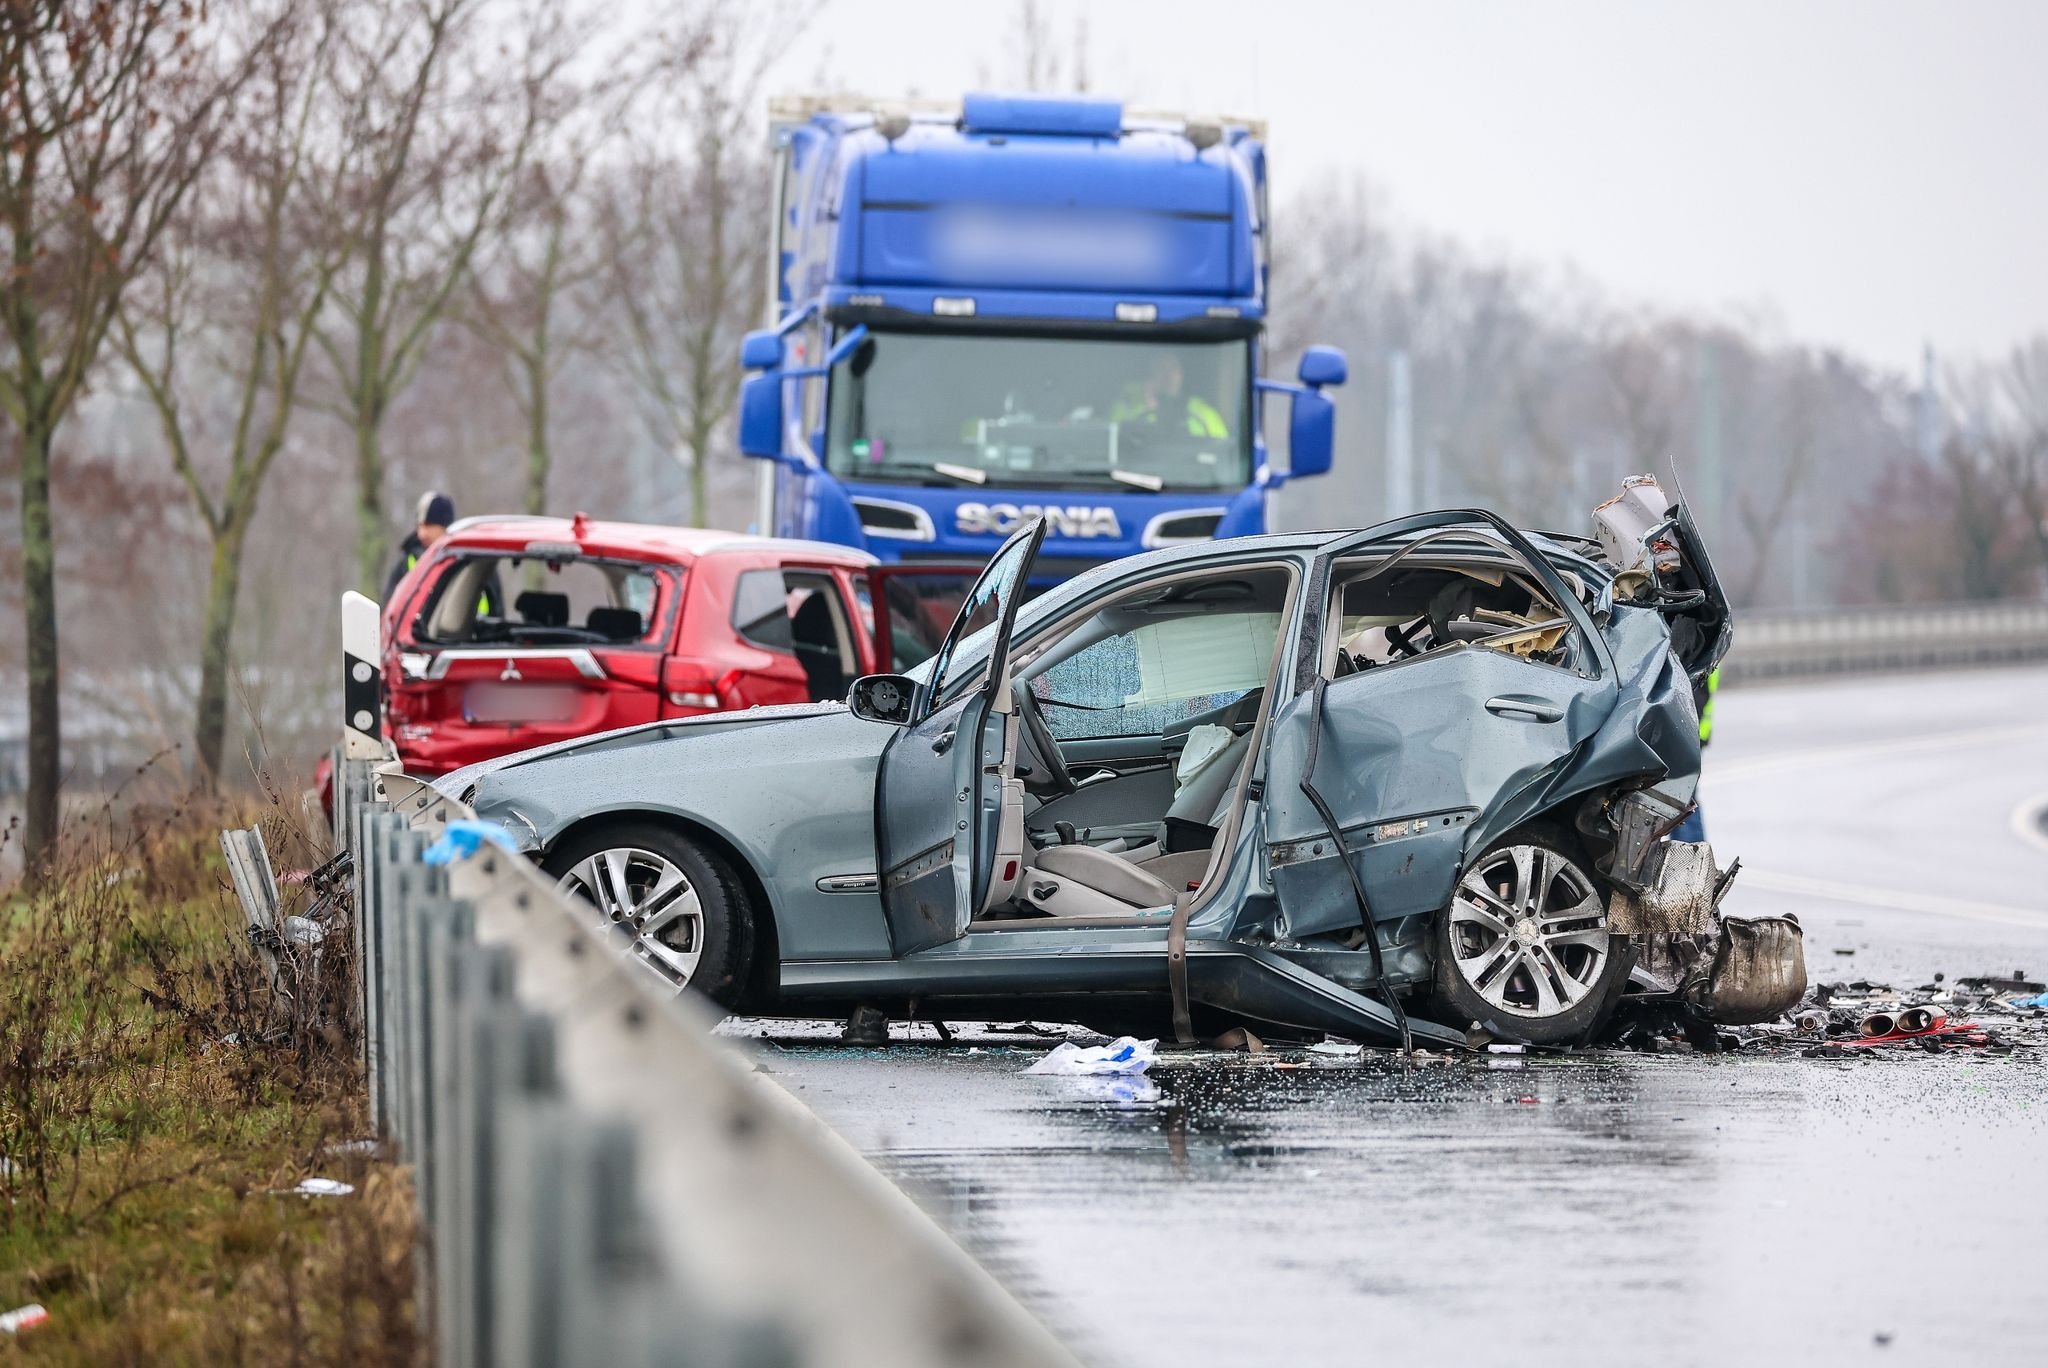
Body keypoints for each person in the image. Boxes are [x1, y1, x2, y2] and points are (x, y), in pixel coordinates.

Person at [1110, 353, 1229, 438]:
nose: (1168, 374)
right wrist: (1146, 406)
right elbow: (1111, 438)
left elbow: (1222, 447)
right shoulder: (1127, 402)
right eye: (1161, 368)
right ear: (1150, 373)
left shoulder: (1201, 410)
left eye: (1173, 368)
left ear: (1182, 373)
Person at [1672, 667, 1718, 842]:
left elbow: (1693, 699)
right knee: (1683, 798)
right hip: (1693, 734)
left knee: (1683, 798)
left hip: (1688, 734)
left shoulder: (1697, 653)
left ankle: (1689, 854)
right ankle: (1690, 852)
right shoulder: (1706, 650)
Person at [385, 491, 457, 600]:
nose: (422, 533)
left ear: (445, 527)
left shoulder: (465, 559)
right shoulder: (406, 561)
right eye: (419, 526)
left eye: (429, 525)